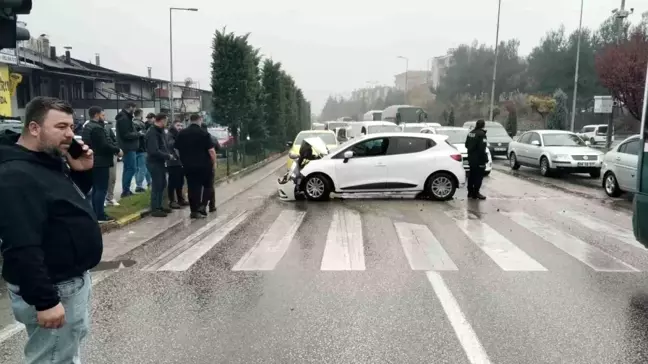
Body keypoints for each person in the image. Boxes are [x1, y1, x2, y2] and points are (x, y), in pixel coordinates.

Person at [0, 96, 102, 364]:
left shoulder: (46, 160)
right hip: (55, 286)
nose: (70, 134)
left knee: (64, 354)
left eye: (71, 126)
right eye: (60, 127)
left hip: (68, 280)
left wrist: (81, 173)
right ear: (34, 128)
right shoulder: (16, 175)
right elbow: (20, 244)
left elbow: (66, 206)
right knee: (53, 358)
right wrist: (45, 301)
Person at [82, 106, 123, 222]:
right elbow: (104, 145)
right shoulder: (97, 128)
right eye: (103, 115)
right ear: (96, 115)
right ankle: (100, 215)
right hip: (101, 162)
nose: (104, 117)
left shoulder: (88, 126)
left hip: (93, 160)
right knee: (101, 189)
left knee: (96, 189)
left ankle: (96, 213)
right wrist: (117, 150)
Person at [175, 114, 217, 219]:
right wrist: (214, 162)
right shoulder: (204, 133)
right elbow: (211, 150)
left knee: (193, 187)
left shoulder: (182, 133)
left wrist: (182, 159)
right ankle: (203, 206)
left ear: (189, 121)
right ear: (200, 120)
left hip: (188, 165)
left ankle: (194, 211)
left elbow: (176, 149)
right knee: (208, 185)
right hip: (204, 165)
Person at [145, 113, 173, 217]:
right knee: (157, 185)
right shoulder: (153, 132)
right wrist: (167, 156)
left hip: (159, 162)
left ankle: (160, 206)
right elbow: (154, 151)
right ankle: (155, 208)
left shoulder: (159, 131)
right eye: (166, 121)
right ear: (162, 120)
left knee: (162, 184)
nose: (166, 123)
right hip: (154, 162)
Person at [115, 102, 139, 198]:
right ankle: (125, 191)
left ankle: (126, 190)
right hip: (128, 147)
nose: (134, 110)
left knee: (127, 169)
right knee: (131, 168)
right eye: (134, 108)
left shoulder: (125, 117)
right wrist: (138, 134)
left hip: (127, 147)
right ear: (130, 107)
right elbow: (126, 134)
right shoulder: (124, 118)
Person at [465, 119, 488, 200]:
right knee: (478, 177)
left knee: (471, 176)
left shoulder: (470, 133)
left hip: (471, 158)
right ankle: (476, 193)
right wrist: (484, 159)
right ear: (483, 125)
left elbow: (466, 145)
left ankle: (470, 192)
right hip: (479, 159)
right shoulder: (481, 134)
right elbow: (482, 148)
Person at [167, 120, 188, 209]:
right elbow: (171, 145)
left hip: (180, 162)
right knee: (172, 182)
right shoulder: (170, 135)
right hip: (172, 162)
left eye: (181, 125)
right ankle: (172, 201)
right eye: (178, 125)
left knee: (180, 181)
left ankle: (181, 199)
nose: (180, 127)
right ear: (173, 125)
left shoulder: (179, 134)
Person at [201, 121, 219, 212]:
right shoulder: (212, 138)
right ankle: (212, 205)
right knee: (210, 185)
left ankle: (201, 204)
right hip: (210, 164)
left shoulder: (199, 137)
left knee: (201, 186)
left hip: (199, 164)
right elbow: (218, 148)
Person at [133, 109, 151, 192]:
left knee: (138, 168)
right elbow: (144, 136)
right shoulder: (140, 124)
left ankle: (149, 182)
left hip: (134, 148)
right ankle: (139, 185)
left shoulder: (131, 122)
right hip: (142, 148)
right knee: (143, 168)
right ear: (140, 114)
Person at [105, 122, 120, 207]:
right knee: (101, 180)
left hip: (111, 155)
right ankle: (103, 199)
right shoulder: (90, 127)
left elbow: (114, 140)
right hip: (99, 157)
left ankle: (110, 198)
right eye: (102, 115)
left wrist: (115, 149)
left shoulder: (107, 128)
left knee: (112, 178)